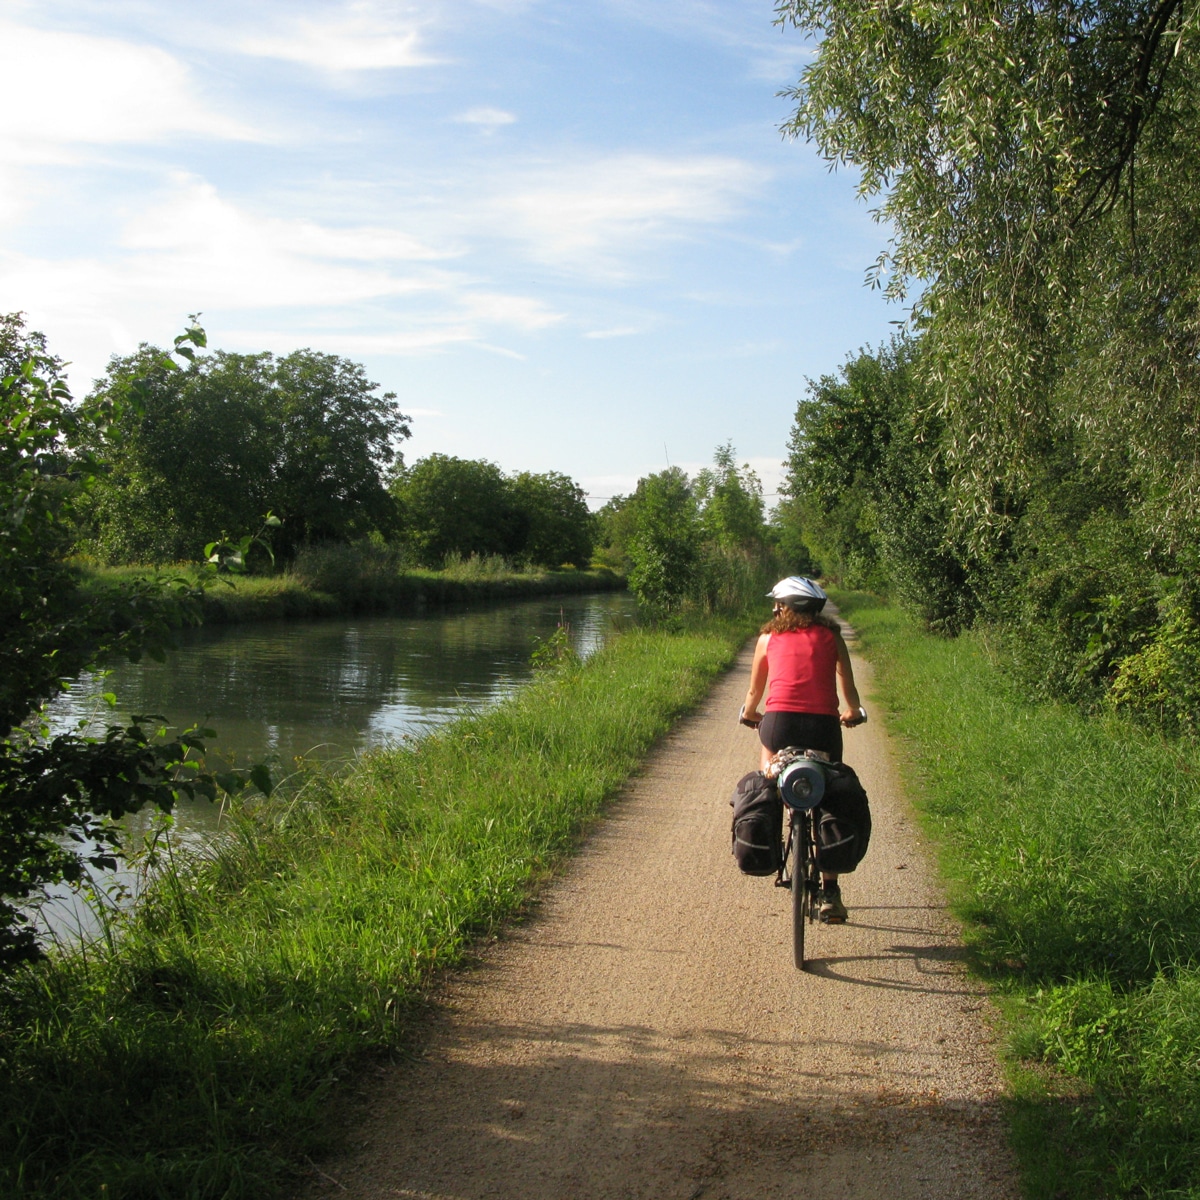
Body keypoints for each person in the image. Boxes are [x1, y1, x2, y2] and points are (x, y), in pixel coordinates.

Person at [739, 576, 864, 923]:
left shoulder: (768, 638)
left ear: (782, 607)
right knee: (829, 793)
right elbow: (848, 687)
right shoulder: (832, 636)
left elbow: (754, 694)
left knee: (768, 772)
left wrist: (750, 716)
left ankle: (770, 825)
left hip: (778, 724)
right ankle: (830, 891)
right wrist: (852, 712)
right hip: (823, 728)